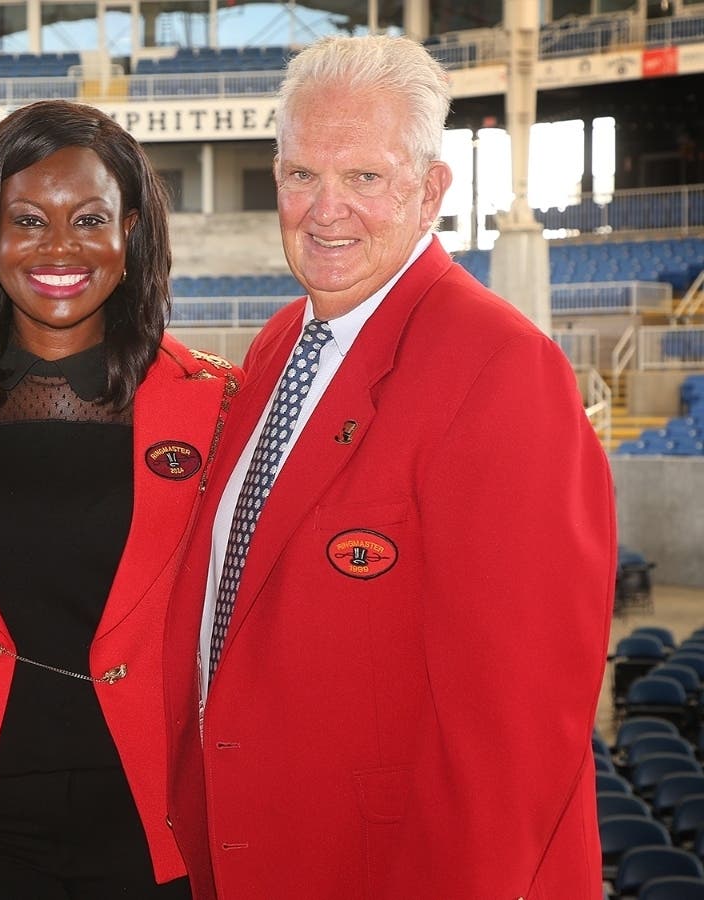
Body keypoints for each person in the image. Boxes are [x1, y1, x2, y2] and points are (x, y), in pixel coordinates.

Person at [162, 35, 616, 900]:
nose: (326, 210)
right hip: (255, 854)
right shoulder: (277, 344)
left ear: (430, 190)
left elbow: (517, 728)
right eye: (301, 175)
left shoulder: (501, 367)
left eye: (365, 177)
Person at [0, 99, 239, 897]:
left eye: (90, 218)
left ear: (131, 235)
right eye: (28, 219)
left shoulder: (221, 404)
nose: (60, 246)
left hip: (153, 830)